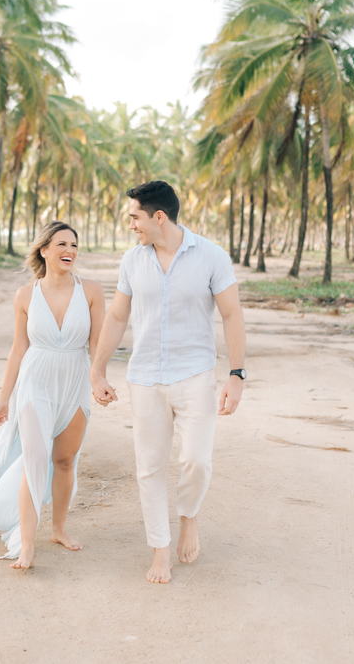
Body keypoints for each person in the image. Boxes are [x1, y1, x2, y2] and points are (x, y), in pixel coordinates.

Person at [90, 181, 247, 584]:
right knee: (150, 467)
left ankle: (188, 516)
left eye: (134, 217)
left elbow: (231, 314)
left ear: (158, 216)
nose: (131, 226)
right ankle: (160, 549)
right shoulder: (132, 261)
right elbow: (117, 318)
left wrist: (236, 374)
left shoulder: (211, 256)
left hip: (194, 375)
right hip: (144, 378)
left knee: (197, 460)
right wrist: (98, 369)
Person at [0, 221, 105, 569]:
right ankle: (27, 544)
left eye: (74, 244)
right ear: (44, 250)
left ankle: (58, 529)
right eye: (61, 244)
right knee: (35, 460)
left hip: (74, 383)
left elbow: (97, 344)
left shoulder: (91, 291)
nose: (69, 250)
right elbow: (17, 349)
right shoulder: (25, 296)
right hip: (35, 383)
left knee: (65, 461)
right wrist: (2, 398)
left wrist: (99, 379)